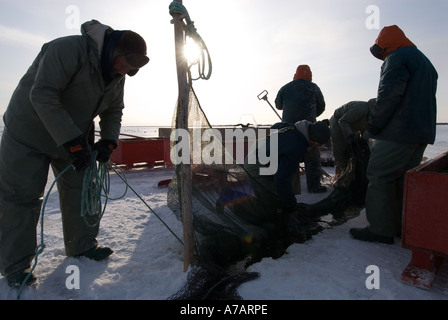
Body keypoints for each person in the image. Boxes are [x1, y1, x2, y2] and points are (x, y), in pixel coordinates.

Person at [0, 20, 149, 288]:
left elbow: (113, 111)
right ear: (112, 50)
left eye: (130, 70)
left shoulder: (117, 76)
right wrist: (73, 141)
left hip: (72, 138)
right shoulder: (67, 49)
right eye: (123, 64)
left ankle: (82, 246)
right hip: (27, 134)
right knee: (21, 198)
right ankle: (15, 266)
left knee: (82, 190)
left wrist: (108, 141)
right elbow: (43, 95)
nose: (124, 72)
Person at [350, 25, 438, 244]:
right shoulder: (425, 62)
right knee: (402, 179)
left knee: (379, 175)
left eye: (382, 52)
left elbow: (388, 95)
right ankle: (400, 225)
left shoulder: (397, 57)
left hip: (398, 131)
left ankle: (380, 229)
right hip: (421, 133)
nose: (382, 57)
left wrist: (374, 126)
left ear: (385, 45)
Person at [275, 65, 327, 193]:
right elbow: (322, 106)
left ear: (295, 74)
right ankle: (314, 187)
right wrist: (312, 115)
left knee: (288, 156)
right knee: (312, 157)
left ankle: (289, 187)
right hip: (309, 130)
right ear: (310, 75)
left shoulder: (285, 87)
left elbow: (278, 105)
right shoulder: (314, 88)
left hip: (288, 129)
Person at [329, 99, 376, 177]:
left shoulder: (374, 117)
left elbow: (365, 129)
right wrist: (350, 135)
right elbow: (343, 121)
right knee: (340, 149)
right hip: (337, 121)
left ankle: (351, 175)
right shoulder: (360, 108)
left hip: (351, 126)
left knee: (354, 150)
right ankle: (339, 176)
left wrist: (363, 139)